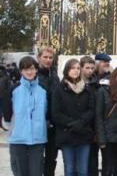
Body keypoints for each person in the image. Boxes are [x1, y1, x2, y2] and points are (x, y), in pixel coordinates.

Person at [3, 56, 47, 176]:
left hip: (37, 139)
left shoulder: (43, 90)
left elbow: (46, 112)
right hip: (18, 138)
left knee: (36, 172)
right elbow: (8, 112)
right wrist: (13, 128)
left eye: (32, 68)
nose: (29, 72)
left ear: (36, 70)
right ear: (21, 71)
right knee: (20, 172)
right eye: (25, 69)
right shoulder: (14, 89)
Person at [51, 59, 94, 176]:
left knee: (83, 170)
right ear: (67, 70)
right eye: (72, 68)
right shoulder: (59, 89)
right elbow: (56, 113)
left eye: (78, 68)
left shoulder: (86, 89)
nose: (75, 71)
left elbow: (91, 110)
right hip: (67, 135)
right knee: (69, 170)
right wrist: (72, 124)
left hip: (83, 134)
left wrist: (81, 122)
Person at [36, 46, 60, 176]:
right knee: (37, 158)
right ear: (39, 58)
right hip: (39, 123)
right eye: (45, 57)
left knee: (51, 157)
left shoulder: (55, 74)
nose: (48, 60)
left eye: (50, 57)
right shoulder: (33, 75)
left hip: (53, 124)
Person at [80, 56, 99, 176]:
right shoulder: (73, 82)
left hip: (92, 126)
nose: (90, 70)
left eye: (92, 68)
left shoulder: (96, 84)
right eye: (87, 67)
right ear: (81, 67)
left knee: (93, 161)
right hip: (79, 126)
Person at [0, 65, 11, 131]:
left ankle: (1, 124)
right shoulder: (6, 77)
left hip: (3, 97)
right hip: (3, 97)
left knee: (1, 112)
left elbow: (8, 88)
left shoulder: (6, 77)